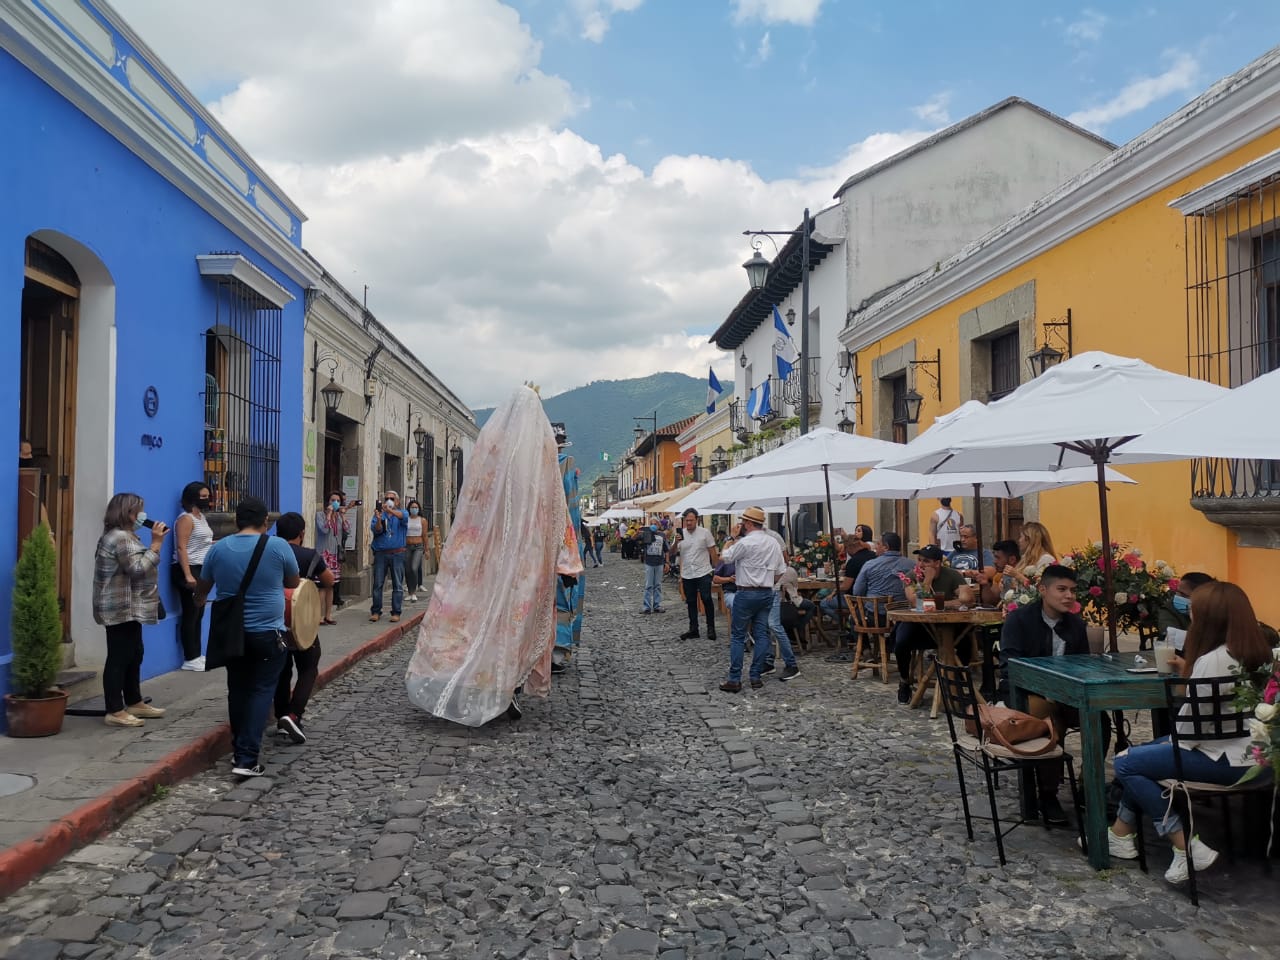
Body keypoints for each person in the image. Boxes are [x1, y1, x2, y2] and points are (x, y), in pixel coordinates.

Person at [404, 385, 582, 726]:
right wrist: (566, 561)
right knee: (513, 626)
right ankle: (503, 683)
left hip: (487, 555)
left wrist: (463, 554)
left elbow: (472, 502)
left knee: (478, 617)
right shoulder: (542, 450)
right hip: (526, 560)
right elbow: (556, 508)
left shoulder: (492, 445)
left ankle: (487, 680)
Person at [1106, 581, 1273, 883]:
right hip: (1258, 757)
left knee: (1126, 763)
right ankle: (1120, 833)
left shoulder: (1211, 660)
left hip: (1224, 761)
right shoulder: (1260, 653)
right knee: (1141, 755)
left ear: (1208, 617)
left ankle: (1185, 845)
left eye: (1193, 610)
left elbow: (1187, 734)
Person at [195, 497, 300, 778]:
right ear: (266, 521)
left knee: (238, 689)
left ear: (235, 520)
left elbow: (203, 587)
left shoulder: (218, 549)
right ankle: (246, 757)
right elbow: (292, 582)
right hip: (268, 631)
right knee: (261, 691)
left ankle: (238, 749)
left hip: (232, 633)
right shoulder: (277, 546)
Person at [997, 563, 1093, 826]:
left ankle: (1088, 786)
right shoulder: (1019, 620)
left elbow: (1083, 664)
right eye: (1061, 589)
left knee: (1099, 720)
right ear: (1043, 590)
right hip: (1026, 692)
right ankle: (1048, 795)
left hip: (1066, 694)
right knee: (1050, 722)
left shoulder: (1075, 624)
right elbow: (1009, 665)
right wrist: (1043, 686)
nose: (1069, 596)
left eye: (1072, 590)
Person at [92, 494, 169, 728]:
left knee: (135, 652)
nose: (142, 515)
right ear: (127, 513)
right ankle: (115, 710)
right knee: (120, 656)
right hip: (119, 606)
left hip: (130, 605)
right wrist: (156, 545)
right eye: (139, 511)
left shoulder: (126, 536)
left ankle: (134, 701)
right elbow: (136, 569)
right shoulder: (120, 538)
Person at [272, 512, 334, 744]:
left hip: (274, 618)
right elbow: (329, 580)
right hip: (300, 620)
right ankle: (293, 715)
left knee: (282, 670)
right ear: (302, 533)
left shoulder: (269, 552)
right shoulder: (309, 555)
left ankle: (281, 715)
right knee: (308, 666)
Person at [719, 506, 795, 691]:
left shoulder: (745, 543)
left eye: (743, 522)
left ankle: (734, 679)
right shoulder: (773, 542)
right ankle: (755, 676)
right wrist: (768, 581)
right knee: (762, 635)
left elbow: (725, 557)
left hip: (746, 592)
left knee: (738, 636)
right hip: (766, 592)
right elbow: (781, 570)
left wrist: (730, 539)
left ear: (748, 523)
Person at [893, 545, 973, 704]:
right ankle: (904, 680)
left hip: (946, 625)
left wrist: (942, 604)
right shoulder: (912, 576)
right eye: (919, 560)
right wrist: (927, 580)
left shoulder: (951, 575)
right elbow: (916, 602)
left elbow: (968, 599)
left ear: (937, 563)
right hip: (919, 626)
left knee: (967, 640)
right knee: (901, 642)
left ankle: (956, 680)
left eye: (926, 561)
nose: (921, 564)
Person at [172, 481, 214, 671]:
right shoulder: (186, 519)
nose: (206, 499)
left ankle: (197, 654)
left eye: (207, 496)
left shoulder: (201, 517)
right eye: (202, 496)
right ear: (192, 497)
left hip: (201, 568)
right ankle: (190, 657)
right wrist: (188, 574)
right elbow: (182, 547)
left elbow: (204, 542)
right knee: (191, 613)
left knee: (199, 613)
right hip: (188, 568)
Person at [675, 508, 719, 641]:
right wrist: (676, 542)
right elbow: (672, 552)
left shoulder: (705, 533)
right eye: (686, 520)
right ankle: (693, 629)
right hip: (687, 573)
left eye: (691, 520)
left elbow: (713, 552)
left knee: (706, 599)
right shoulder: (680, 534)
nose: (689, 523)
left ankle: (711, 628)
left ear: (697, 520)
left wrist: (716, 570)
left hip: (703, 571)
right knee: (691, 601)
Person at [820, 524, 876, 622]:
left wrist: (833, 592)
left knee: (824, 603)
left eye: (846, 549)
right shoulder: (874, 555)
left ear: (850, 547)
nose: (846, 551)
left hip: (854, 599)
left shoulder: (854, 561)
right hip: (872, 597)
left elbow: (846, 586)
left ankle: (847, 622)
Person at [849, 531, 916, 611]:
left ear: (886, 547)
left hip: (875, 613)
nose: (875, 547)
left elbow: (857, 592)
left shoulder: (870, 565)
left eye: (878, 544)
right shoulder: (912, 565)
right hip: (902, 613)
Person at [369, 489, 407, 623]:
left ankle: (396, 612)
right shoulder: (379, 515)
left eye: (392, 498)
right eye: (386, 498)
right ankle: (376, 611)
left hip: (397, 553)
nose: (389, 500)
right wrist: (379, 518)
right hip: (381, 554)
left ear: (397, 501)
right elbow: (377, 530)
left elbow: (403, 518)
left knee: (397, 584)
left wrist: (390, 510)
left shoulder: (402, 513)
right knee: (378, 584)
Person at [1155, 571, 1214, 652]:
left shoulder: (1214, 609)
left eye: (1183, 594)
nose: (1177, 596)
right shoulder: (1169, 608)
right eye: (1177, 592)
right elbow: (1171, 635)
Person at [314, 491, 349, 619]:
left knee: (331, 586)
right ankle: (319, 616)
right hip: (323, 555)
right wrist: (328, 515)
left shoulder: (338, 517)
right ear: (327, 502)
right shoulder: (320, 515)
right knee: (322, 586)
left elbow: (347, 530)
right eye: (333, 500)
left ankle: (328, 616)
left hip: (335, 556)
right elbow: (324, 530)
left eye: (338, 501)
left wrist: (343, 517)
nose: (335, 503)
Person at [976, 539, 1022, 607]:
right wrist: (985, 585)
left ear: (1012, 559)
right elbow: (991, 601)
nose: (994, 561)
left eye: (998, 558)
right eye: (994, 557)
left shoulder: (1023, 575)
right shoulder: (999, 576)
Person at [1012, 521, 1057, 585]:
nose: (1019, 540)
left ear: (1030, 539)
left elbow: (1042, 587)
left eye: (1021, 536)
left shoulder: (1046, 559)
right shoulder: (1026, 558)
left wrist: (1018, 576)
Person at [640, 519, 667, 613]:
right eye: (651, 524)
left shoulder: (662, 535)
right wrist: (639, 532)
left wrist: (667, 562)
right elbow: (634, 538)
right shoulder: (646, 534)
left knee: (658, 585)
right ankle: (646, 606)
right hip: (649, 562)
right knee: (648, 585)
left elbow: (666, 549)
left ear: (658, 525)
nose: (653, 525)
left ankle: (657, 605)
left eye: (655, 524)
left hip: (659, 562)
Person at [405, 498, 427, 602]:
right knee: (407, 569)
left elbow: (425, 535)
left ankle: (414, 592)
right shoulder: (406, 519)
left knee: (414, 568)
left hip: (418, 546)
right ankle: (410, 591)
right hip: (407, 546)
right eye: (412, 507)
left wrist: (426, 549)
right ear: (409, 509)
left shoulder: (422, 520)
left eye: (416, 507)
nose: (414, 509)